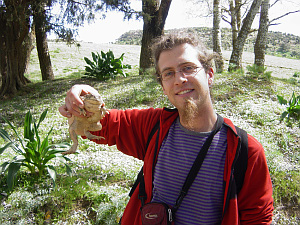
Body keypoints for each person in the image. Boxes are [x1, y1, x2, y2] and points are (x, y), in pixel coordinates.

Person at [59, 32, 273, 225]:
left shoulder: (245, 151)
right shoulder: (154, 127)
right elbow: (101, 126)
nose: (179, 79)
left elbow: (258, 218)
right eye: (168, 73)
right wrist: (80, 96)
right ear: (162, 85)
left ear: (209, 74)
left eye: (188, 68)